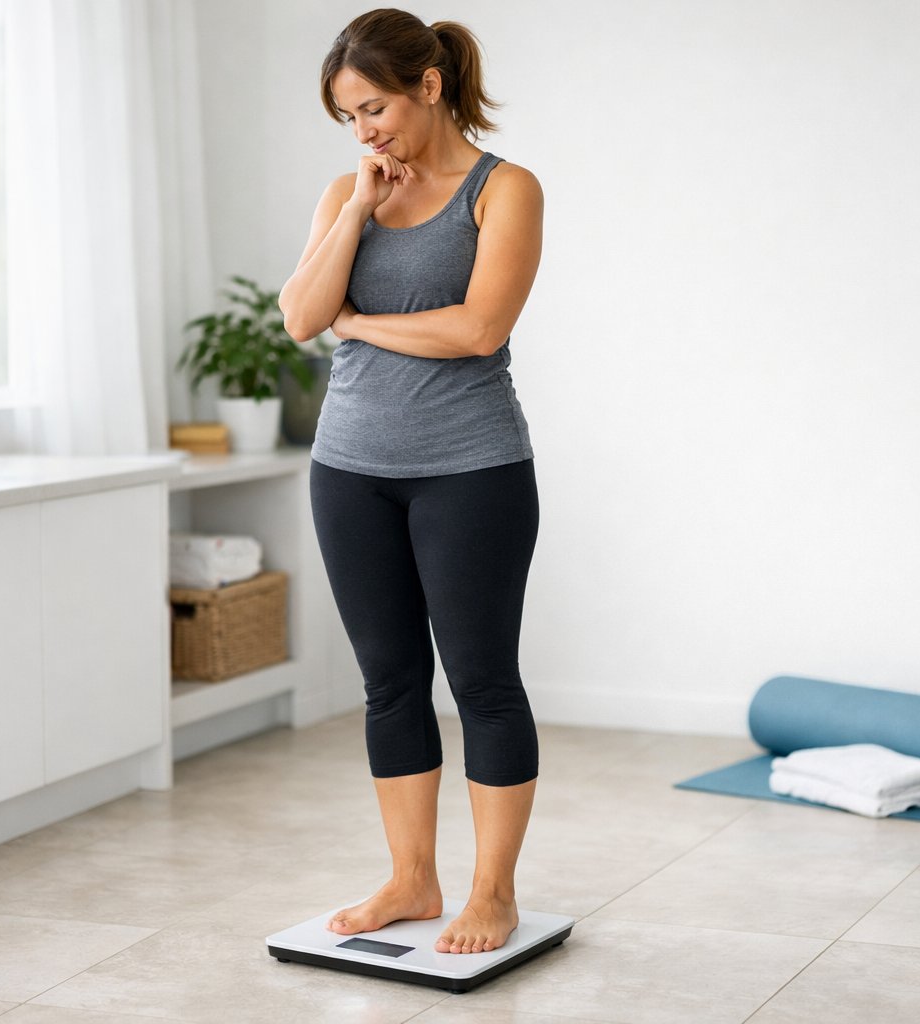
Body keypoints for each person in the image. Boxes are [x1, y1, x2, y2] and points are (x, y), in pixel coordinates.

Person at [277, 8, 545, 955]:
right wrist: (355, 206)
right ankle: (412, 880)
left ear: (428, 86)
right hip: (350, 472)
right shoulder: (349, 193)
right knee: (390, 685)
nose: (365, 132)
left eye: (374, 107)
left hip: (471, 471)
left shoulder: (503, 189)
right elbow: (303, 315)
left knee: (483, 685)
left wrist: (364, 323)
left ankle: (494, 894)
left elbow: (477, 330)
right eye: (349, 117)